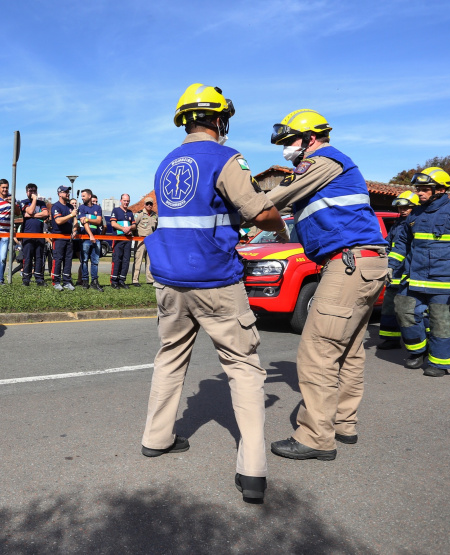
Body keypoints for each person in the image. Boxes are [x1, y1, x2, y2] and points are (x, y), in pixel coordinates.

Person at [141, 83, 287, 504]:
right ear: (220, 119)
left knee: (170, 356)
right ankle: (252, 471)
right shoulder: (226, 158)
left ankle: (156, 437)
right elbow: (258, 210)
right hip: (215, 280)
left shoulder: (166, 163)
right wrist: (278, 226)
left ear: (184, 121)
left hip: (169, 278)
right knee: (243, 366)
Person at [265, 109, 389, 461]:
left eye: (290, 140)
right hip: (365, 263)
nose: (287, 148)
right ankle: (343, 424)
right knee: (348, 350)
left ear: (310, 138)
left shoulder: (322, 162)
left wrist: (233, 201)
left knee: (318, 351)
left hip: (347, 264)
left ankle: (316, 437)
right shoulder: (333, 167)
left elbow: (271, 199)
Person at [389, 167, 450, 377]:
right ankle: (419, 350)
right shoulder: (415, 214)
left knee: (442, 322)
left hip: (444, 282)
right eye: (418, 189)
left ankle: (439, 362)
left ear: (440, 189)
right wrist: (390, 266)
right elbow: (402, 244)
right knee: (403, 312)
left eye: (424, 189)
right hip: (413, 279)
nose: (419, 193)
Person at [377, 191, 419, 350]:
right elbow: (389, 244)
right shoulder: (397, 224)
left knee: (409, 310)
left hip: (410, 273)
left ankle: (417, 341)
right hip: (395, 272)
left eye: (406, 207)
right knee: (389, 306)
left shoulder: (419, 224)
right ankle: (391, 339)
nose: (402, 210)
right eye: (400, 207)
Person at [18, 183, 49, 286]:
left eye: (34, 191)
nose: (32, 193)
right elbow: (30, 210)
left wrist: (32, 215)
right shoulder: (24, 202)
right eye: (30, 191)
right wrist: (34, 200)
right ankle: (26, 279)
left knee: (39, 257)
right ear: (26, 192)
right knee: (28, 257)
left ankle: (39, 279)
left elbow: (45, 213)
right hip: (27, 234)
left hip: (39, 234)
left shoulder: (42, 203)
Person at [50, 185, 78, 290]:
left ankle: (67, 281)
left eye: (68, 192)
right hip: (58, 237)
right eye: (65, 192)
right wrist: (71, 215)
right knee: (58, 259)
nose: (68, 194)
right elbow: (58, 221)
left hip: (68, 237)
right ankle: (56, 282)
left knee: (68, 260)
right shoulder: (56, 206)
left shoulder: (70, 207)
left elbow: (75, 220)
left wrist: (75, 229)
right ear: (59, 193)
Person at [77, 189, 104, 291]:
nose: (82, 198)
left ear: (89, 196)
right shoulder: (81, 208)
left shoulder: (98, 207)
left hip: (96, 238)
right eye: (81, 196)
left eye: (83, 196)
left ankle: (94, 281)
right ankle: (85, 281)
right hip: (85, 239)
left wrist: (88, 219)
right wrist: (91, 235)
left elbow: (99, 221)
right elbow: (84, 223)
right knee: (84, 261)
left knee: (95, 261)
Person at [109, 193, 135, 288]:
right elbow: (113, 224)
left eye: (127, 201)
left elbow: (134, 225)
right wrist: (124, 229)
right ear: (121, 200)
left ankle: (122, 280)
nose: (126, 202)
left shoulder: (130, 212)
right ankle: (114, 281)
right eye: (124, 200)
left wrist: (130, 228)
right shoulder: (116, 210)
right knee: (117, 259)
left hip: (128, 240)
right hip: (118, 239)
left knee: (126, 260)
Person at [132, 200, 157, 286]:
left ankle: (149, 280)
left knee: (150, 261)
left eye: (151, 204)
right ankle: (135, 280)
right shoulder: (139, 214)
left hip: (150, 241)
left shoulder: (155, 215)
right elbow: (134, 226)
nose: (149, 205)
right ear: (144, 205)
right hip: (141, 240)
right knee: (138, 260)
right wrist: (136, 237)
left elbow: (156, 228)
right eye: (147, 204)